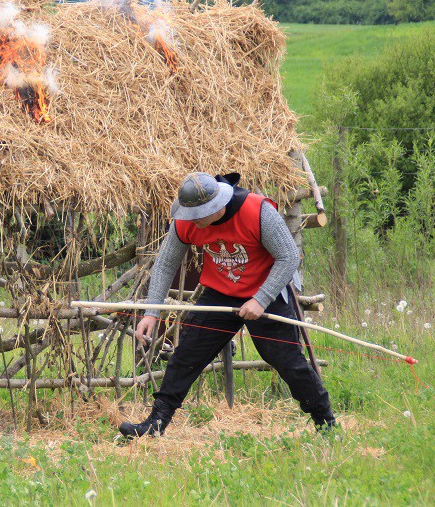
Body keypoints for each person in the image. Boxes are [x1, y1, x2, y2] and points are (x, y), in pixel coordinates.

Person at [118, 172, 335, 438]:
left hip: (266, 290)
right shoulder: (186, 221)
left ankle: (326, 423)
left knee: (287, 362)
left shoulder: (257, 211)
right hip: (220, 292)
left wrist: (261, 299)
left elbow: (289, 257)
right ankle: (156, 423)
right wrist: (152, 313)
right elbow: (164, 266)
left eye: (199, 215)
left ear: (216, 205)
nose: (193, 222)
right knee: (186, 356)